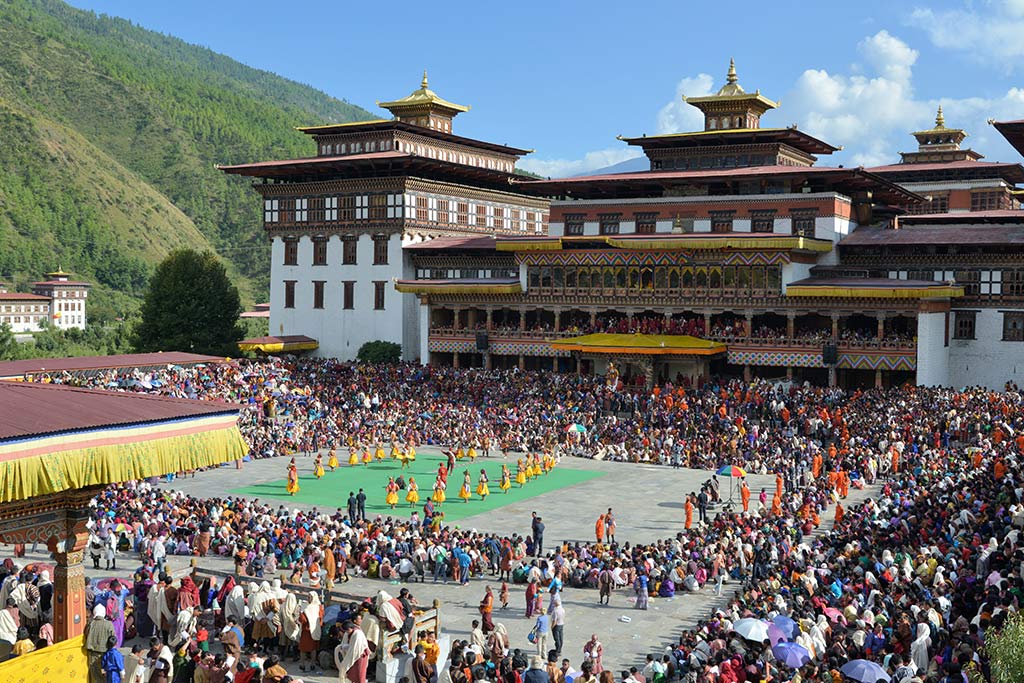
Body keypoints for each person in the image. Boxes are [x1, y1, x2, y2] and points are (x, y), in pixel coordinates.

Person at [87, 604, 117, 683]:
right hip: (106, 655)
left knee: (95, 677)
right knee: (105, 676)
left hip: (93, 654)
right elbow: (113, 638)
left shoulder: (90, 624)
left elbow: (85, 634)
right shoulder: (109, 624)